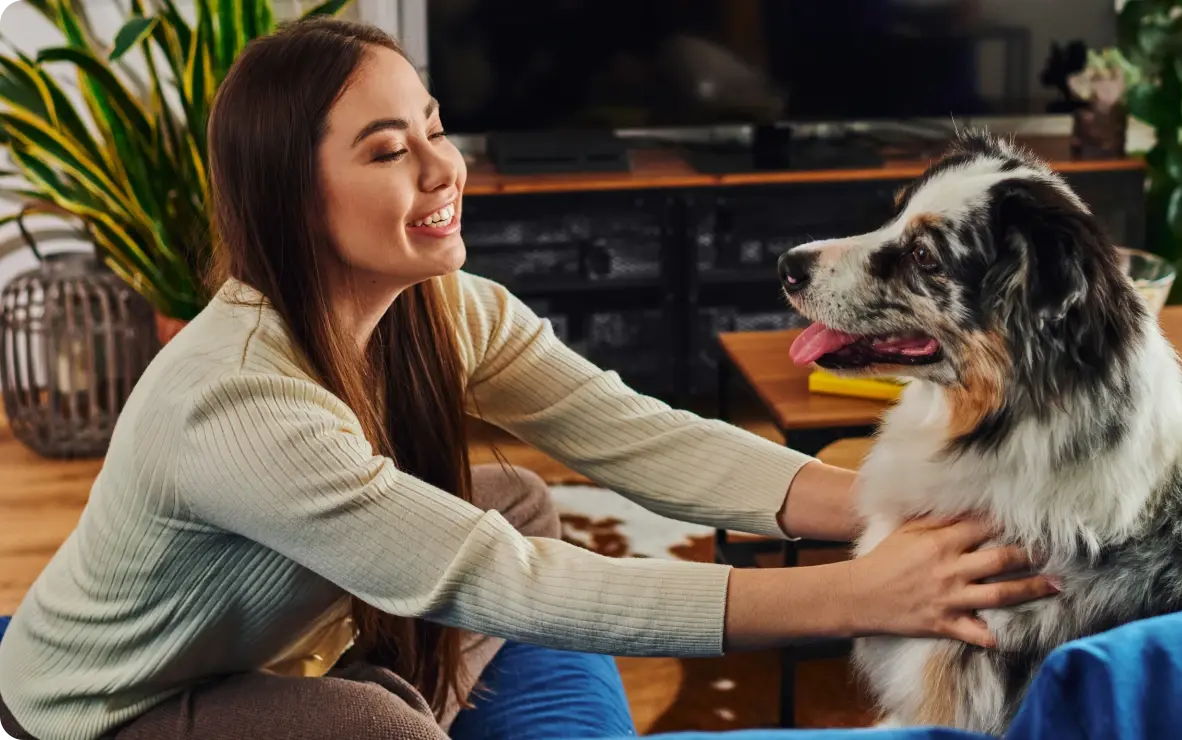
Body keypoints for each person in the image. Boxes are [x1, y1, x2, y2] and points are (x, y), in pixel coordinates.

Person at [0, 17, 1056, 740]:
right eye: (385, 151)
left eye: (433, 127)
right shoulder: (235, 401)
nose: (441, 166)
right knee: (376, 719)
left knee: (514, 495)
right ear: (290, 196)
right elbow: (516, 586)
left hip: (270, 639)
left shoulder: (443, 308)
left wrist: (904, 504)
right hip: (104, 707)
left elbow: (642, 435)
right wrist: (854, 593)